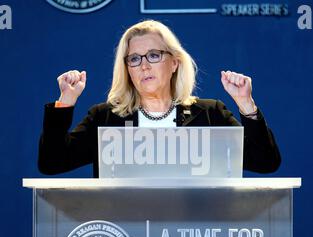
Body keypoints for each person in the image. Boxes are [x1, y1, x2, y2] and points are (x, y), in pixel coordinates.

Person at [38, 20, 281, 177]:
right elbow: (52, 163)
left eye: (153, 55)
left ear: (174, 62)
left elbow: (265, 162)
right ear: (127, 69)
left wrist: (246, 105)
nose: (143, 66)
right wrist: (65, 102)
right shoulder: (105, 118)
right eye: (134, 58)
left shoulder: (209, 114)